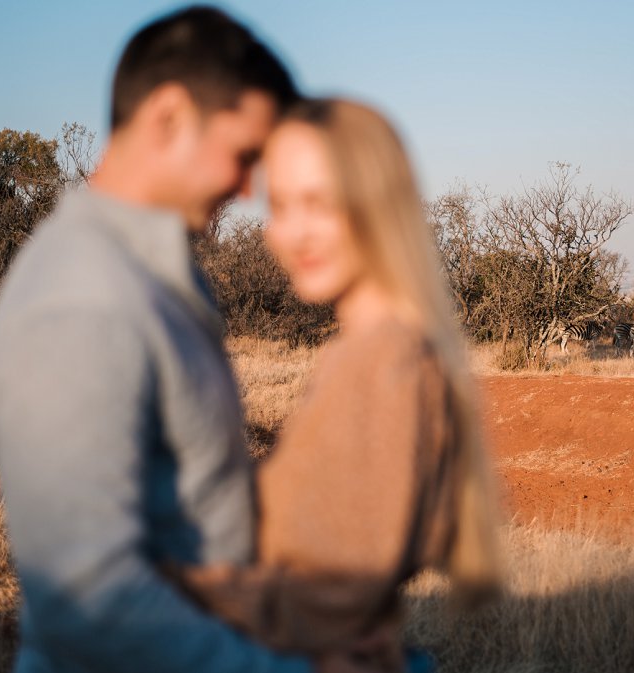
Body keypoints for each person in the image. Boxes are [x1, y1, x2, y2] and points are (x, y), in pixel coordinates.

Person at [0, 5, 316, 673]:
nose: (250, 188)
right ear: (168, 117)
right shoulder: (82, 301)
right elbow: (87, 600)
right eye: (244, 156)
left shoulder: (152, 276)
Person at [173, 98, 504, 670]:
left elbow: (334, 596)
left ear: (377, 203)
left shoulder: (382, 360)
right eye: (279, 206)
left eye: (319, 203)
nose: (291, 233)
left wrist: (161, 583)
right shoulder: (388, 348)